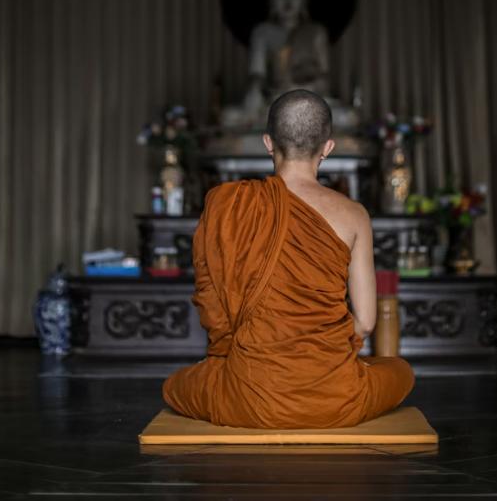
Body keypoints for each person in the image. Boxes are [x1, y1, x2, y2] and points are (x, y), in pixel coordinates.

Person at [163, 89, 414, 428]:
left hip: (246, 393)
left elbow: (213, 303)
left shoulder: (228, 204)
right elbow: (367, 323)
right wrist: (322, 350)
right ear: (328, 148)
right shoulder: (354, 214)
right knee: (401, 371)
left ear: (268, 142)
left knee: (173, 387)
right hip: (334, 398)